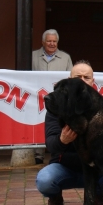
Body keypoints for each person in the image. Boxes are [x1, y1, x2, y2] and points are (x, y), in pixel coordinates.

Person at [37, 61, 103, 205]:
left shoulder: (101, 108)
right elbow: (51, 144)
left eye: (86, 77)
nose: (82, 80)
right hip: (66, 168)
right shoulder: (57, 105)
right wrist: (63, 140)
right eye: (78, 77)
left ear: (92, 81)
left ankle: (98, 197)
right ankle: (55, 199)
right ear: (69, 79)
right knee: (45, 180)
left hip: (95, 168)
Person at [32, 29, 74, 164]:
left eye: (54, 41)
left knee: (55, 124)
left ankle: (57, 153)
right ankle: (38, 154)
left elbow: (71, 79)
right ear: (43, 42)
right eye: (49, 41)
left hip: (59, 101)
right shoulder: (32, 56)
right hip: (36, 97)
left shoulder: (65, 57)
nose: (52, 44)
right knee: (36, 121)